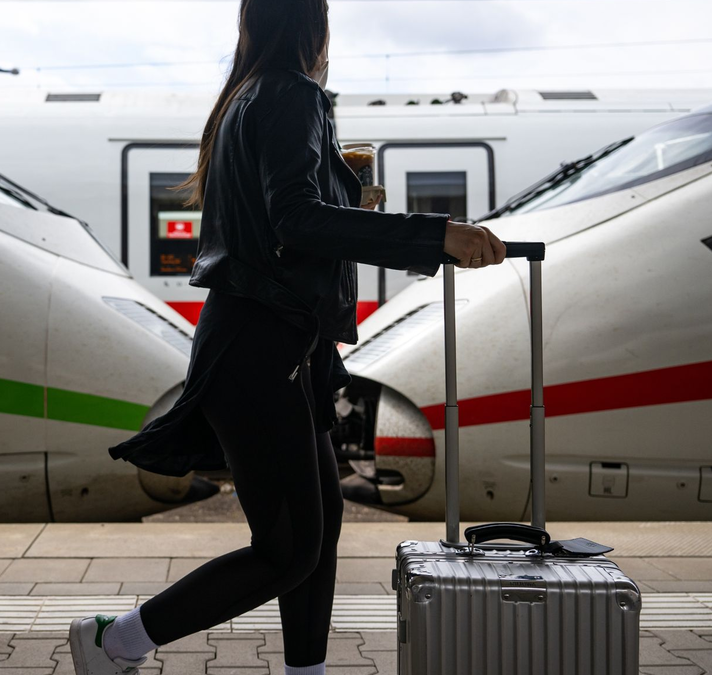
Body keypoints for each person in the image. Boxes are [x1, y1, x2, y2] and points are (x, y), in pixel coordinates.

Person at [69, 1, 506, 673]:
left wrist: (344, 195)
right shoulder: (292, 94)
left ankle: (308, 669)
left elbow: (278, 223)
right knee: (288, 546)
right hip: (259, 344)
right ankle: (116, 640)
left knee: (320, 523)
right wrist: (435, 234)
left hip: (279, 345)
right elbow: (297, 219)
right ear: (313, 25)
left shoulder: (244, 98)